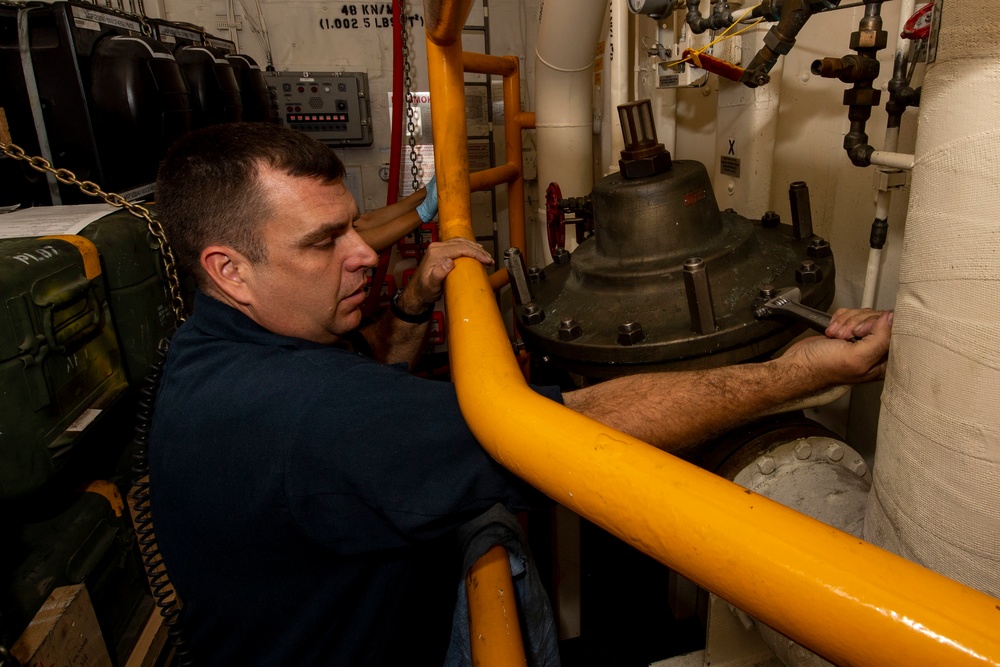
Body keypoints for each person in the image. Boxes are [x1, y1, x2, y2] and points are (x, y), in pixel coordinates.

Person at [149, 122, 892, 665]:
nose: (363, 254)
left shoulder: (215, 350)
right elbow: (573, 428)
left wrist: (414, 301)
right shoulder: (300, 411)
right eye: (323, 242)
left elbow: (370, 399)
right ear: (229, 269)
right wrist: (802, 370)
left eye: (353, 227)